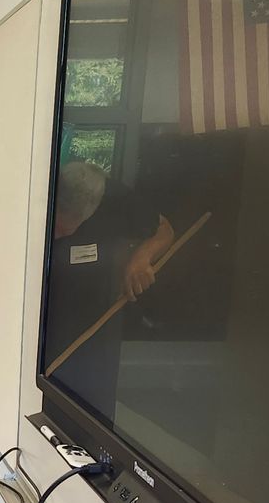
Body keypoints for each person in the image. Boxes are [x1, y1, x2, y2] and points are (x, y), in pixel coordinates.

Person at [43, 160, 174, 407]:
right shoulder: (43, 184)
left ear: (90, 213)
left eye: (62, 230)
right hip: (46, 311)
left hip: (92, 314)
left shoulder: (118, 199)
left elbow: (164, 230)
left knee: (85, 396)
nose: (54, 236)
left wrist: (142, 257)